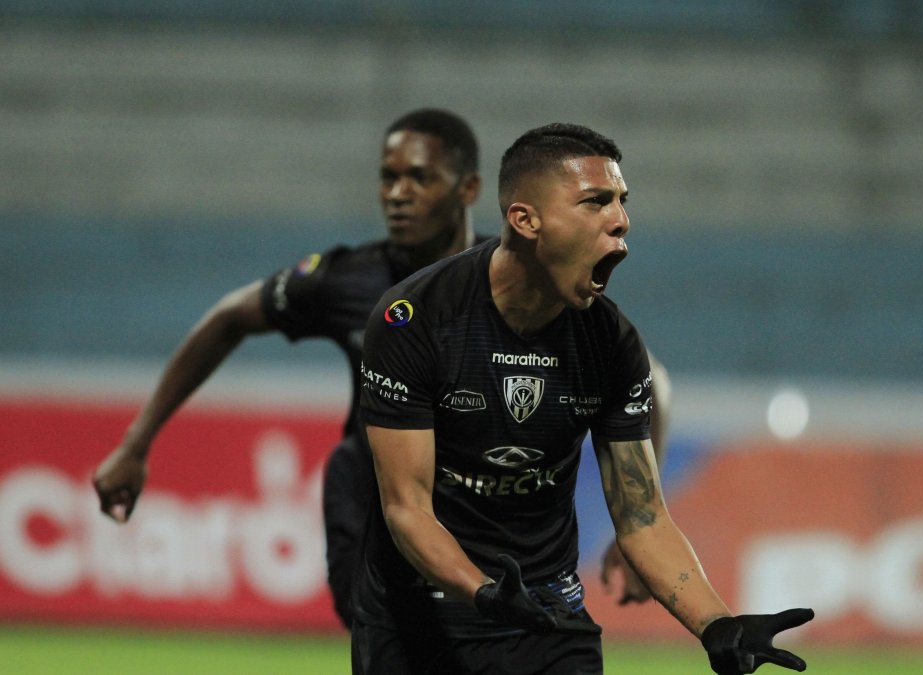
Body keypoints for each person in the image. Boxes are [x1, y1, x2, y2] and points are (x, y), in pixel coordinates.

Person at [91, 108, 666, 629]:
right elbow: (227, 318)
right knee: (389, 625)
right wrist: (135, 443)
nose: (398, 194)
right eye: (389, 177)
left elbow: (647, 384)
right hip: (378, 498)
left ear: (469, 189)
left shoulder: (530, 270)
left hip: (488, 511)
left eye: (419, 178)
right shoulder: (346, 279)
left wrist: (633, 528)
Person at [355, 122, 813, 674]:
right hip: (418, 621)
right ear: (526, 220)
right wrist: (481, 591)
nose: (621, 220)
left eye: (621, 201)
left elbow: (642, 519)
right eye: (596, 202)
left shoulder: (611, 343)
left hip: (549, 619)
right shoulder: (415, 321)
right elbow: (407, 509)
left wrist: (716, 622)